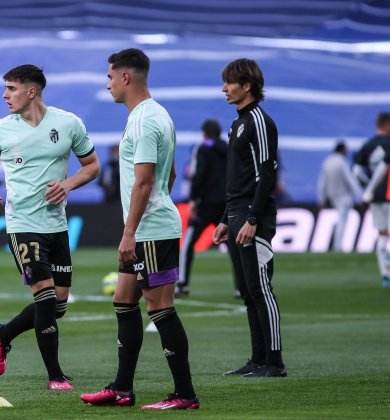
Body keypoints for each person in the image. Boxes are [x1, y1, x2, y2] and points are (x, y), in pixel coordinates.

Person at [80, 48, 199, 410]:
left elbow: (145, 182)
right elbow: (171, 174)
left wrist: (130, 232)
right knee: (123, 298)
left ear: (126, 78)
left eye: (110, 77)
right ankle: (121, 388)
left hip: (150, 230)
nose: (108, 84)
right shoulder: (155, 115)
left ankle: (184, 394)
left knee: (160, 306)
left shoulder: (145, 121)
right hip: (151, 224)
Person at [0, 64, 100, 390]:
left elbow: (92, 166)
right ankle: (55, 376)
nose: (5, 95)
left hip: (56, 224)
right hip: (22, 223)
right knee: (43, 298)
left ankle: (4, 333)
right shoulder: (0, 129)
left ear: (32, 91)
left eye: (11, 89)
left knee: (58, 305)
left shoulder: (68, 123)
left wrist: (69, 184)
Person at [212, 58, 286, 377]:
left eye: (230, 82)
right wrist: (227, 218)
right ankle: (257, 360)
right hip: (238, 212)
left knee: (261, 288)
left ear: (248, 86)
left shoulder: (258, 121)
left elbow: (266, 173)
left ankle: (275, 361)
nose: (224, 88)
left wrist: (253, 218)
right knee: (246, 289)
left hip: (254, 215)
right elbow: (238, 178)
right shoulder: (237, 123)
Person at [175, 119, 240, 297]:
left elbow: (198, 175)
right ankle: (240, 286)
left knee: (188, 243)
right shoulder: (228, 148)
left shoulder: (202, 148)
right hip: (226, 203)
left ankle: (182, 283)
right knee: (233, 245)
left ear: (204, 132)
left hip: (205, 204)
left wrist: (194, 199)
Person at [353, 112, 390, 287]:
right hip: (388, 195)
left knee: (383, 234)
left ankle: (385, 275)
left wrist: (369, 188)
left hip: (375, 198)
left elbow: (357, 172)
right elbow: (384, 166)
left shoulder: (367, 146)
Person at [317, 141, 363, 252]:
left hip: (332, 197)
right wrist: (360, 195)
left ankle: (336, 246)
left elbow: (322, 182)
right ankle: (337, 247)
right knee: (342, 222)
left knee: (340, 221)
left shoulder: (327, 162)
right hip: (344, 197)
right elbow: (350, 180)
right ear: (342, 150)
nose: (347, 152)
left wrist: (321, 198)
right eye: (346, 150)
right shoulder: (342, 162)